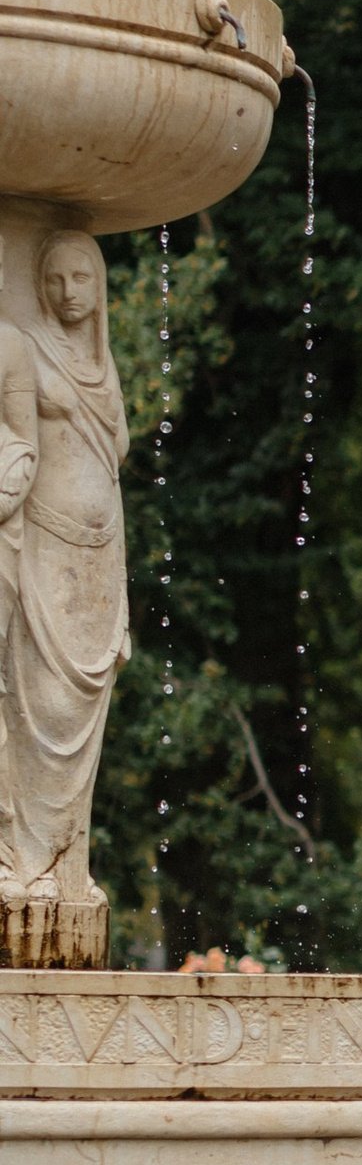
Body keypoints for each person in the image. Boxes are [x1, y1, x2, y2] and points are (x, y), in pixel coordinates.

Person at [0, 230, 128, 913]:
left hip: (99, 553)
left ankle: (66, 866)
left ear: (100, 287)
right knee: (41, 704)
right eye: (55, 278)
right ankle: (25, 861)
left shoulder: (101, 362)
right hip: (42, 544)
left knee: (84, 708)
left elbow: (118, 449)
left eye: (82, 278)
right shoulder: (21, 345)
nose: (69, 292)